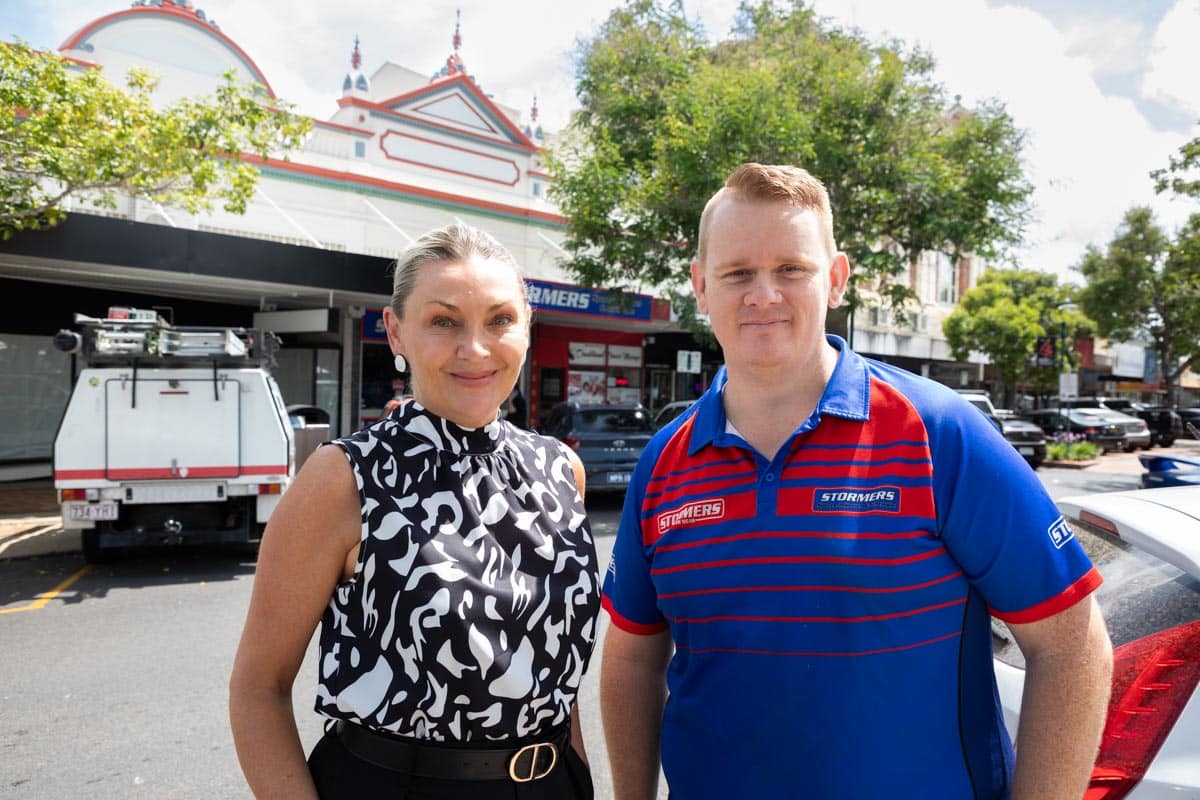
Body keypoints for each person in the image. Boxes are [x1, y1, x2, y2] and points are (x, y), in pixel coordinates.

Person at [599, 163, 1113, 799]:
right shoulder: (662, 464)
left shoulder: (939, 432)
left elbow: (1071, 645)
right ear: (701, 288)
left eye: (792, 268)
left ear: (836, 278)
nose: (763, 294)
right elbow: (631, 658)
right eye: (737, 273)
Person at [230, 222, 601, 799]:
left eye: (500, 320)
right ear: (396, 332)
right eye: (444, 321)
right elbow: (258, 690)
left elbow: (554, 674)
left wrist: (578, 779)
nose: (474, 348)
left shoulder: (560, 469)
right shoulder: (345, 477)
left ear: (527, 328)